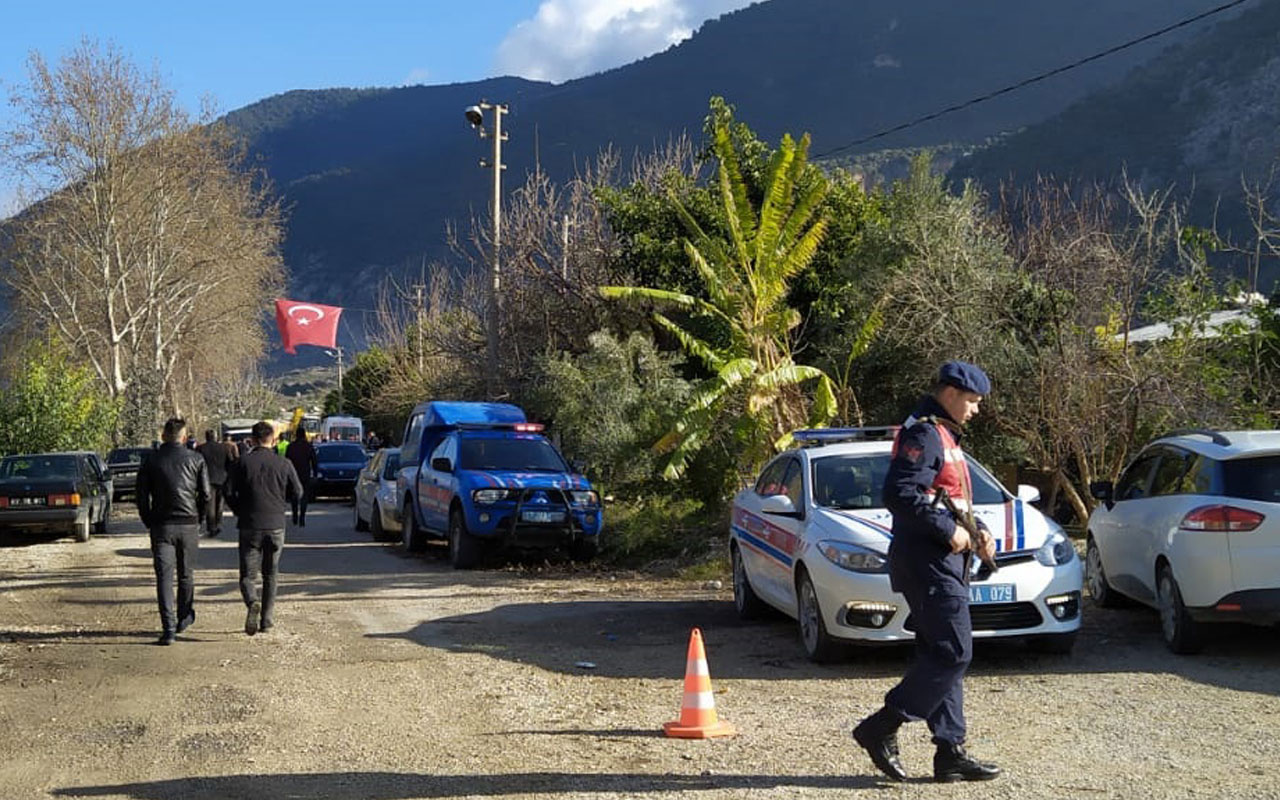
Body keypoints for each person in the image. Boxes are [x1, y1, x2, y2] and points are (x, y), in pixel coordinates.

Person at [852, 361, 1001, 783]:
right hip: (928, 562)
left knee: (941, 654)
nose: (975, 410)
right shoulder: (923, 432)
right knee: (955, 652)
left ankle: (950, 751)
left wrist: (979, 532)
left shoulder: (943, 434)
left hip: (943, 561)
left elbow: (949, 498)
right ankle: (880, 727)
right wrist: (948, 530)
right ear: (951, 394)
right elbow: (900, 494)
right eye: (972, 401)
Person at [136, 417, 211, 646]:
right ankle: (184, 617)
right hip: (188, 524)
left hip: (161, 525)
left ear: (163, 436)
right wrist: (200, 517)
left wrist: (149, 520)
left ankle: (168, 629)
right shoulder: (196, 459)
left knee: (164, 578)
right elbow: (206, 494)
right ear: (185, 436)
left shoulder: (151, 460)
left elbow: (141, 496)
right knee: (186, 574)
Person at [225, 421, 303, 636]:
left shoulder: (241, 463)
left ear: (251, 439)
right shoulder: (284, 463)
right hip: (276, 524)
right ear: (273, 439)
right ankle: (267, 619)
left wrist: (239, 510)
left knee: (247, 576)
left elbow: (228, 491)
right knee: (271, 574)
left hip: (250, 524)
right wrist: (281, 502)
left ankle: (252, 601)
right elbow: (298, 492)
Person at [196, 429, 232, 537]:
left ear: (206, 437)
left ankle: (211, 527)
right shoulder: (224, 448)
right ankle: (218, 523)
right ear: (216, 437)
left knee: (210, 504)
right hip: (222, 478)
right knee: (219, 503)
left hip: (207, 478)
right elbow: (230, 462)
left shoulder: (200, 448)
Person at [284, 427, 318, 527]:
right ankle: (302, 517)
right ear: (304, 435)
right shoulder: (308, 446)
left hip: (293, 474)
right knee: (304, 496)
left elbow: (286, 461)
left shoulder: (291, 446)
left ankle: (295, 516)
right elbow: (314, 461)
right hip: (305, 474)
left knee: (294, 496)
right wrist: (315, 474)